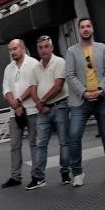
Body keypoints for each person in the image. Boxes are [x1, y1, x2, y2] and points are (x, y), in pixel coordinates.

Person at [64, 18, 105, 186]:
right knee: (74, 135)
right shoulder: (71, 51)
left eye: (88, 26)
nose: (86, 29)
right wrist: (84, 93)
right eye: (82, 27)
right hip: (81, 101)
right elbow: (70, 75)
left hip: (102, 97)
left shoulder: (102, 48)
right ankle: (77, 173)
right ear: (78, 30)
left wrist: (102, 89)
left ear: (92, 29)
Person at [28, 36, 70, 189]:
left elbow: (58, 86)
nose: (44, 50)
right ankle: (38, 177)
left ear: (51, 48)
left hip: (60, 106)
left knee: (64, 141)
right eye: (41, 47)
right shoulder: (35, 68)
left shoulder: (59, 62)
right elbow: (33, 88)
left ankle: (65, 172)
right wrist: (39, 105)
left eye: (46, 46)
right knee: (40, 144)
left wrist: (42, 101)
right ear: (38, 50)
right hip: (43, 110)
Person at [0, 39, 39, 188]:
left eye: (15, 49)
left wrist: (20, 100)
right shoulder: (8, 68)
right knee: (14, 145)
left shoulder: (33, 63)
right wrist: (14, 103)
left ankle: (37, 175)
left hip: (32, 110)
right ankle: (15, 177)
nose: (12, 52)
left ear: (22, 48)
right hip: (14, 113)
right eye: (10, 50)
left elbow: (33, 85)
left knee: (34, 143)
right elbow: (5, 88)